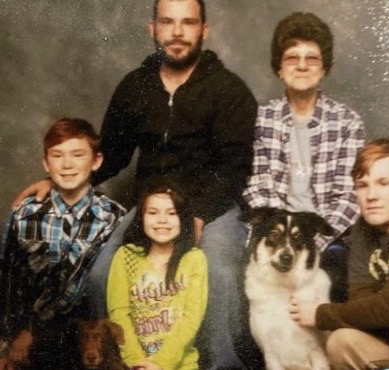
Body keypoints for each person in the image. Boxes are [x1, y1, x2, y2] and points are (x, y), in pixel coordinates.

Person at [13, 1, 257, 368]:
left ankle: (221, 364)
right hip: (150, 207)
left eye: (187, 23)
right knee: (100, 273)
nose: (177, 32)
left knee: (218, 272)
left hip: (213, 205)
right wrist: (56, 179)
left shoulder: (230, 90)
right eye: (167, 22)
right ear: (153, 28)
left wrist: (201, 215)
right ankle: (117, 361)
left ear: (204, 30)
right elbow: (111, 152)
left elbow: (236, 167)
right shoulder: (135, 86)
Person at [242, 12, 365, 301]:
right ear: (279, 68)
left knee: (333, 281)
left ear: (324, 68)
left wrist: (310, 243)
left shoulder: (347, 122)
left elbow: (349, 197)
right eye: (291, 58)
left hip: (326, 236)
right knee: (241, 275)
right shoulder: (262, 118)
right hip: (272, 234)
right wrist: (276, 238)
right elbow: (258, 185)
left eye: (312, 58)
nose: (301, 65)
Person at [289, 138, 389, 369]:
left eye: (384, 183)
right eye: (363, 185)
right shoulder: (364, 226)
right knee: (342, 342)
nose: (371, 196)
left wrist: (320, 314)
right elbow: (360, 295)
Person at [0, 118, 126, 370]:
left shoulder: (115, 218)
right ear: (46, 163)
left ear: (96, 161)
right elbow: (8, 281)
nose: (67, 165)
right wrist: (6, 342)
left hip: (88, 341)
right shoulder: (24, 214)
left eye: (78, 154)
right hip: (29, 343)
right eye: (57, 156)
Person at [107, 183, 207, 370]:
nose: (162, 220)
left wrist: (160, 365)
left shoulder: (194, 259)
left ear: (183, 219)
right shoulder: (126, 256)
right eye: (152, 213)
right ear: (141, 218)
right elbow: (119, 314)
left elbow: (191, 319)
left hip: (181, 365)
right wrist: (137, 362)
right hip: (135, 364)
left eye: (171, 213)